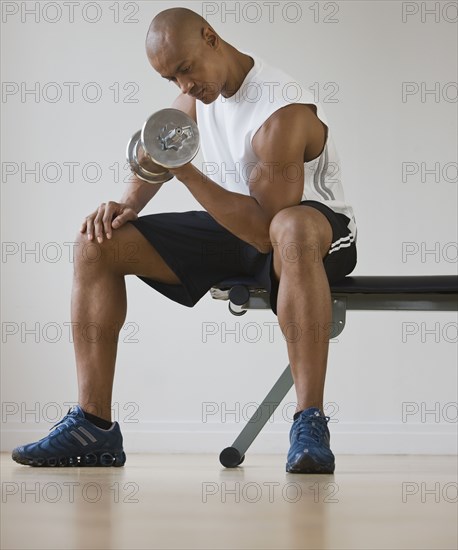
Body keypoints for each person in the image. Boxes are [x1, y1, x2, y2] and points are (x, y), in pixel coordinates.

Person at [12, 7, 357, 473]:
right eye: (171, 78)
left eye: (186, 69)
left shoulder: (281, 109)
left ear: (211, 38)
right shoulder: (199, 95)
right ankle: (93, 427)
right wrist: (126, 206)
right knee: (97, 244)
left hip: (308, 233)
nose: (183, 86)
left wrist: (187, 173)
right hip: (238, 222)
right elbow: (161, 149)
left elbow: (264, 232)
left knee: (289, 228)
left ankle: (309, 422)